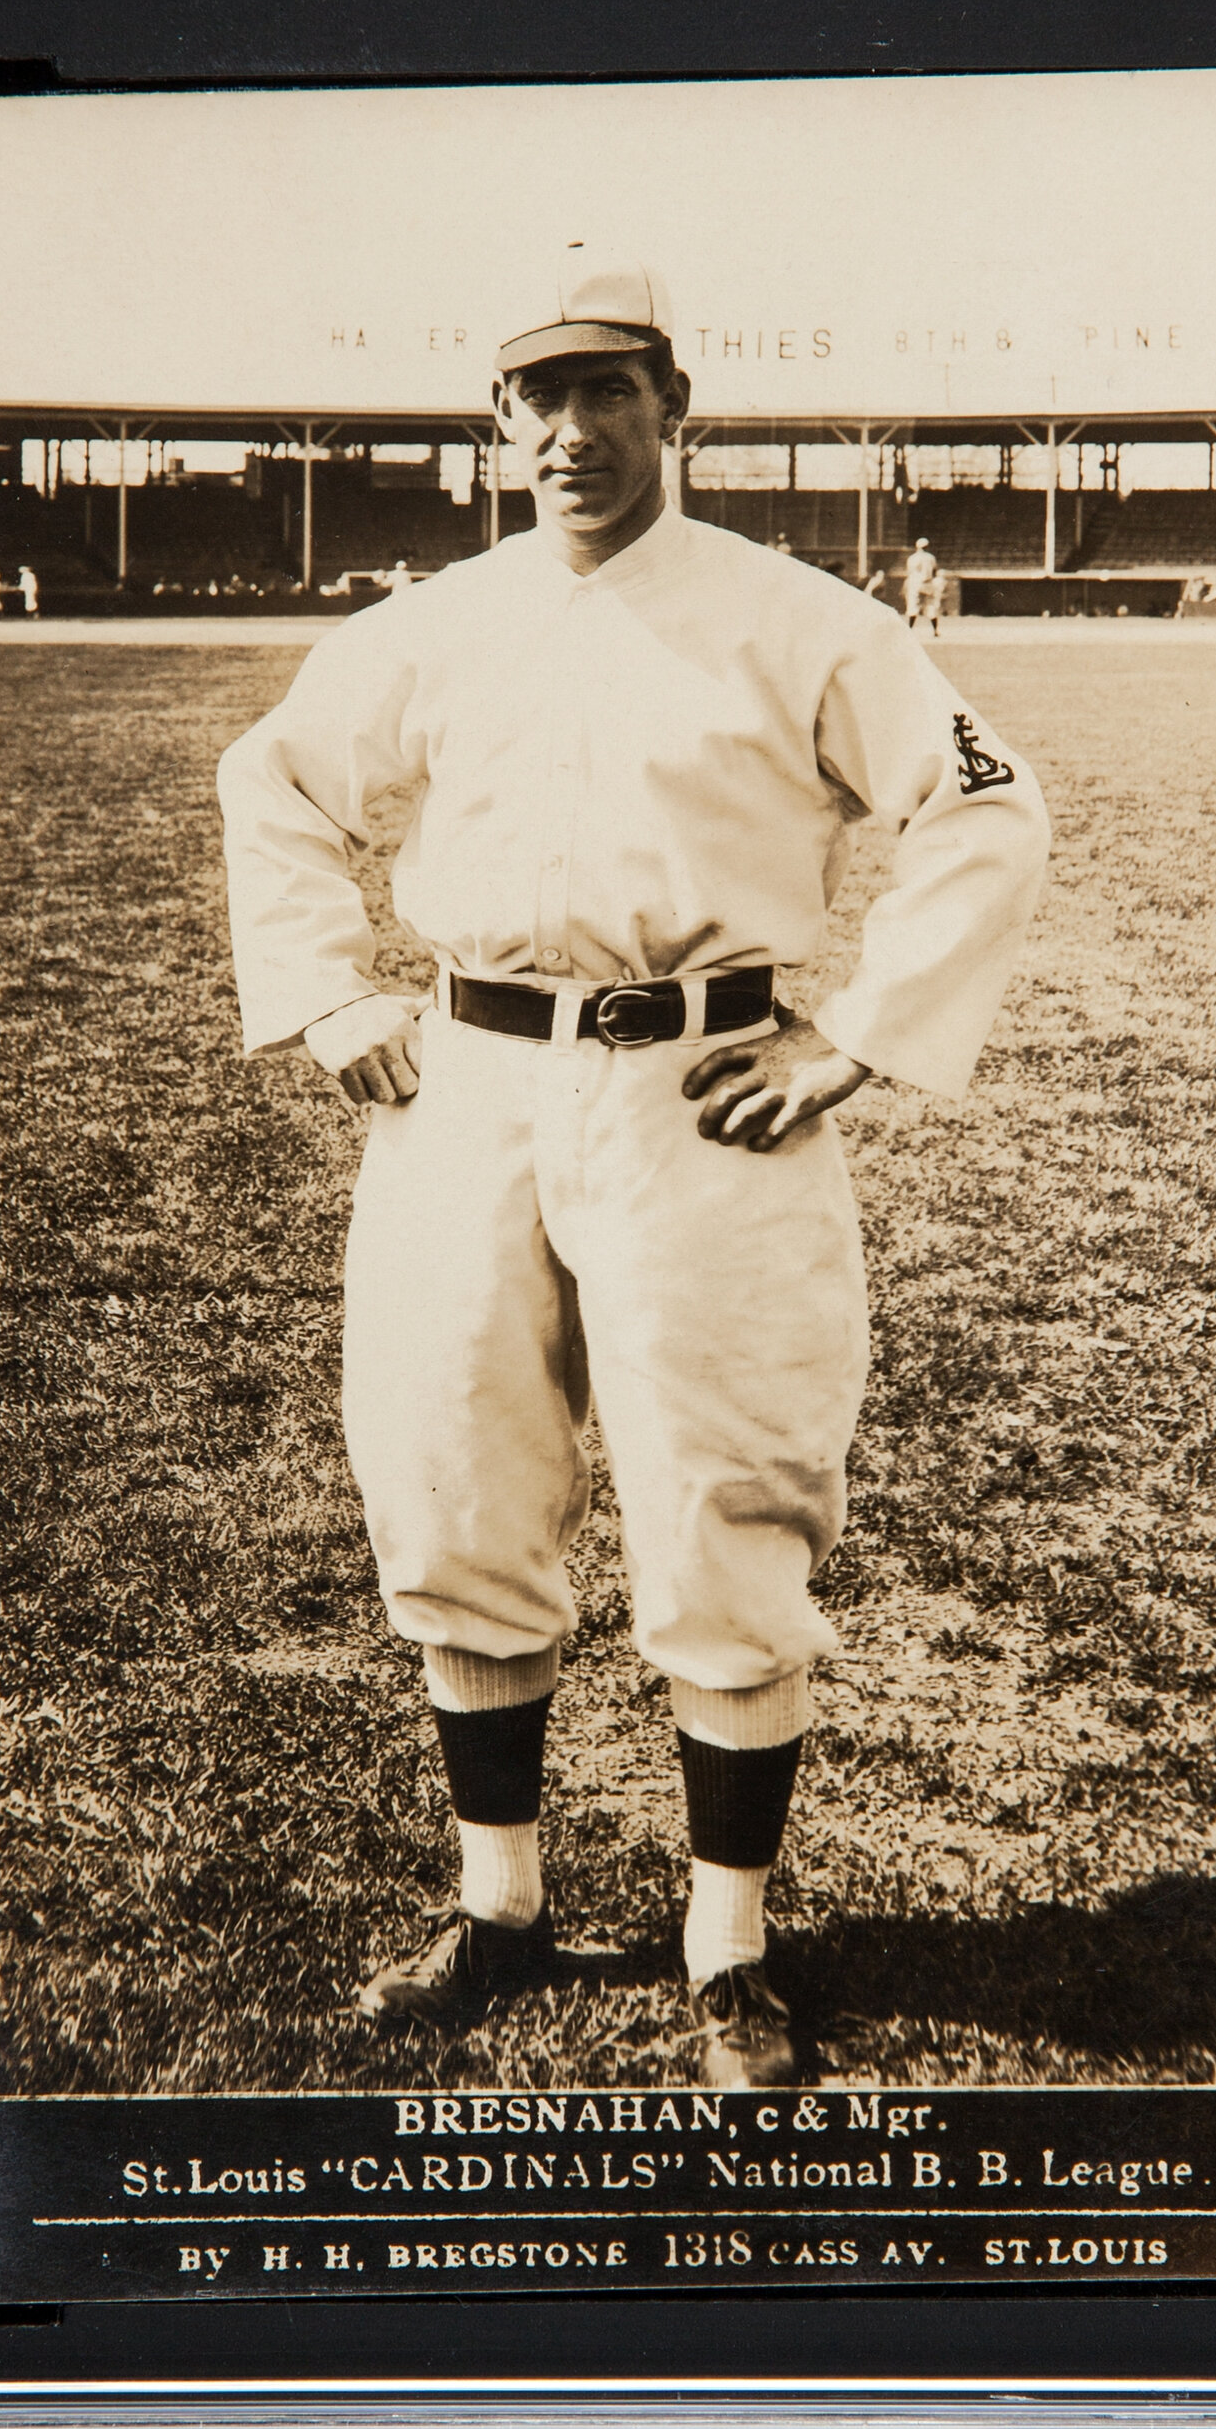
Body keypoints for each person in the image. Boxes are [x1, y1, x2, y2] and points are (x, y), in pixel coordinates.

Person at [217, 250, 1049, 2087]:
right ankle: (496, 1902)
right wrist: (326, 987)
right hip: (466, 1089)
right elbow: (269, 786)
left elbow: (982, 807)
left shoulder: (801, 618)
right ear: (491, 428)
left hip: (701, 1093)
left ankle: (727, 1945)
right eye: (538, 397)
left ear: (676, 408)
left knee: (726, 1497)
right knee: (450, 1481)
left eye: (611, 391)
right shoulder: (432, 625)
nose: (573, 429)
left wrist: (848, 1037)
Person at [903, 537, 937, 630]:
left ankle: (910, 629)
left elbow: (910, 572)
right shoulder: (931, 557)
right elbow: (934, 571)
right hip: (928, 583)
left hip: (915, 583)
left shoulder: (912, 558)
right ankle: (935, 630)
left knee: (913, 606)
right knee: (930, 606)